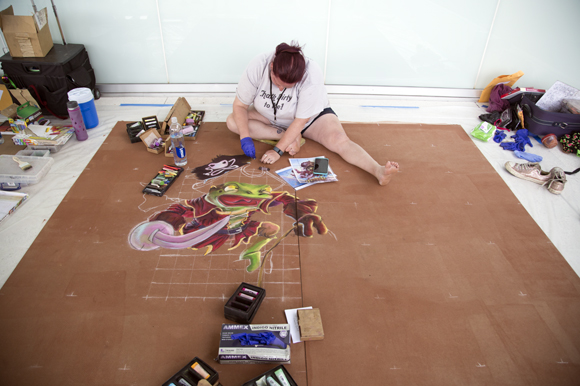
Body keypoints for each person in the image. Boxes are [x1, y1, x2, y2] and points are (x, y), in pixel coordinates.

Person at [226, 42, 399, 186]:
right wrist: (245, 137)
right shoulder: (258, 64)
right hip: (269, 117)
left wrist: (277, 150)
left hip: (310, 120)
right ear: (272, 67)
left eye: (287, 87)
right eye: (277, 83)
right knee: (233, 122)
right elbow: (240, 106)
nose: (280, 89)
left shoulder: (312, 73)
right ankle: (290, 136)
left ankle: (377, 170)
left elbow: (301, 120)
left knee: (339, 139)